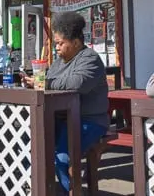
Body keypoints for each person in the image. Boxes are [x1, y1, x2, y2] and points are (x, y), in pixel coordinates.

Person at [21, 12, 108, 195]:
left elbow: (77, 83)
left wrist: (44, 83)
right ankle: (35, 187)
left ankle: (70, 191)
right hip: (61, 118)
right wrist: (34, 83)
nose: (57, 48)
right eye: (56, 44)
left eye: (61, 43)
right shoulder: (58, 63)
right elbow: (48, 81)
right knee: (27, 144)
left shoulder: (90, 59)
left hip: (89, 120)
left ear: (76, 43)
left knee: (63, 157)